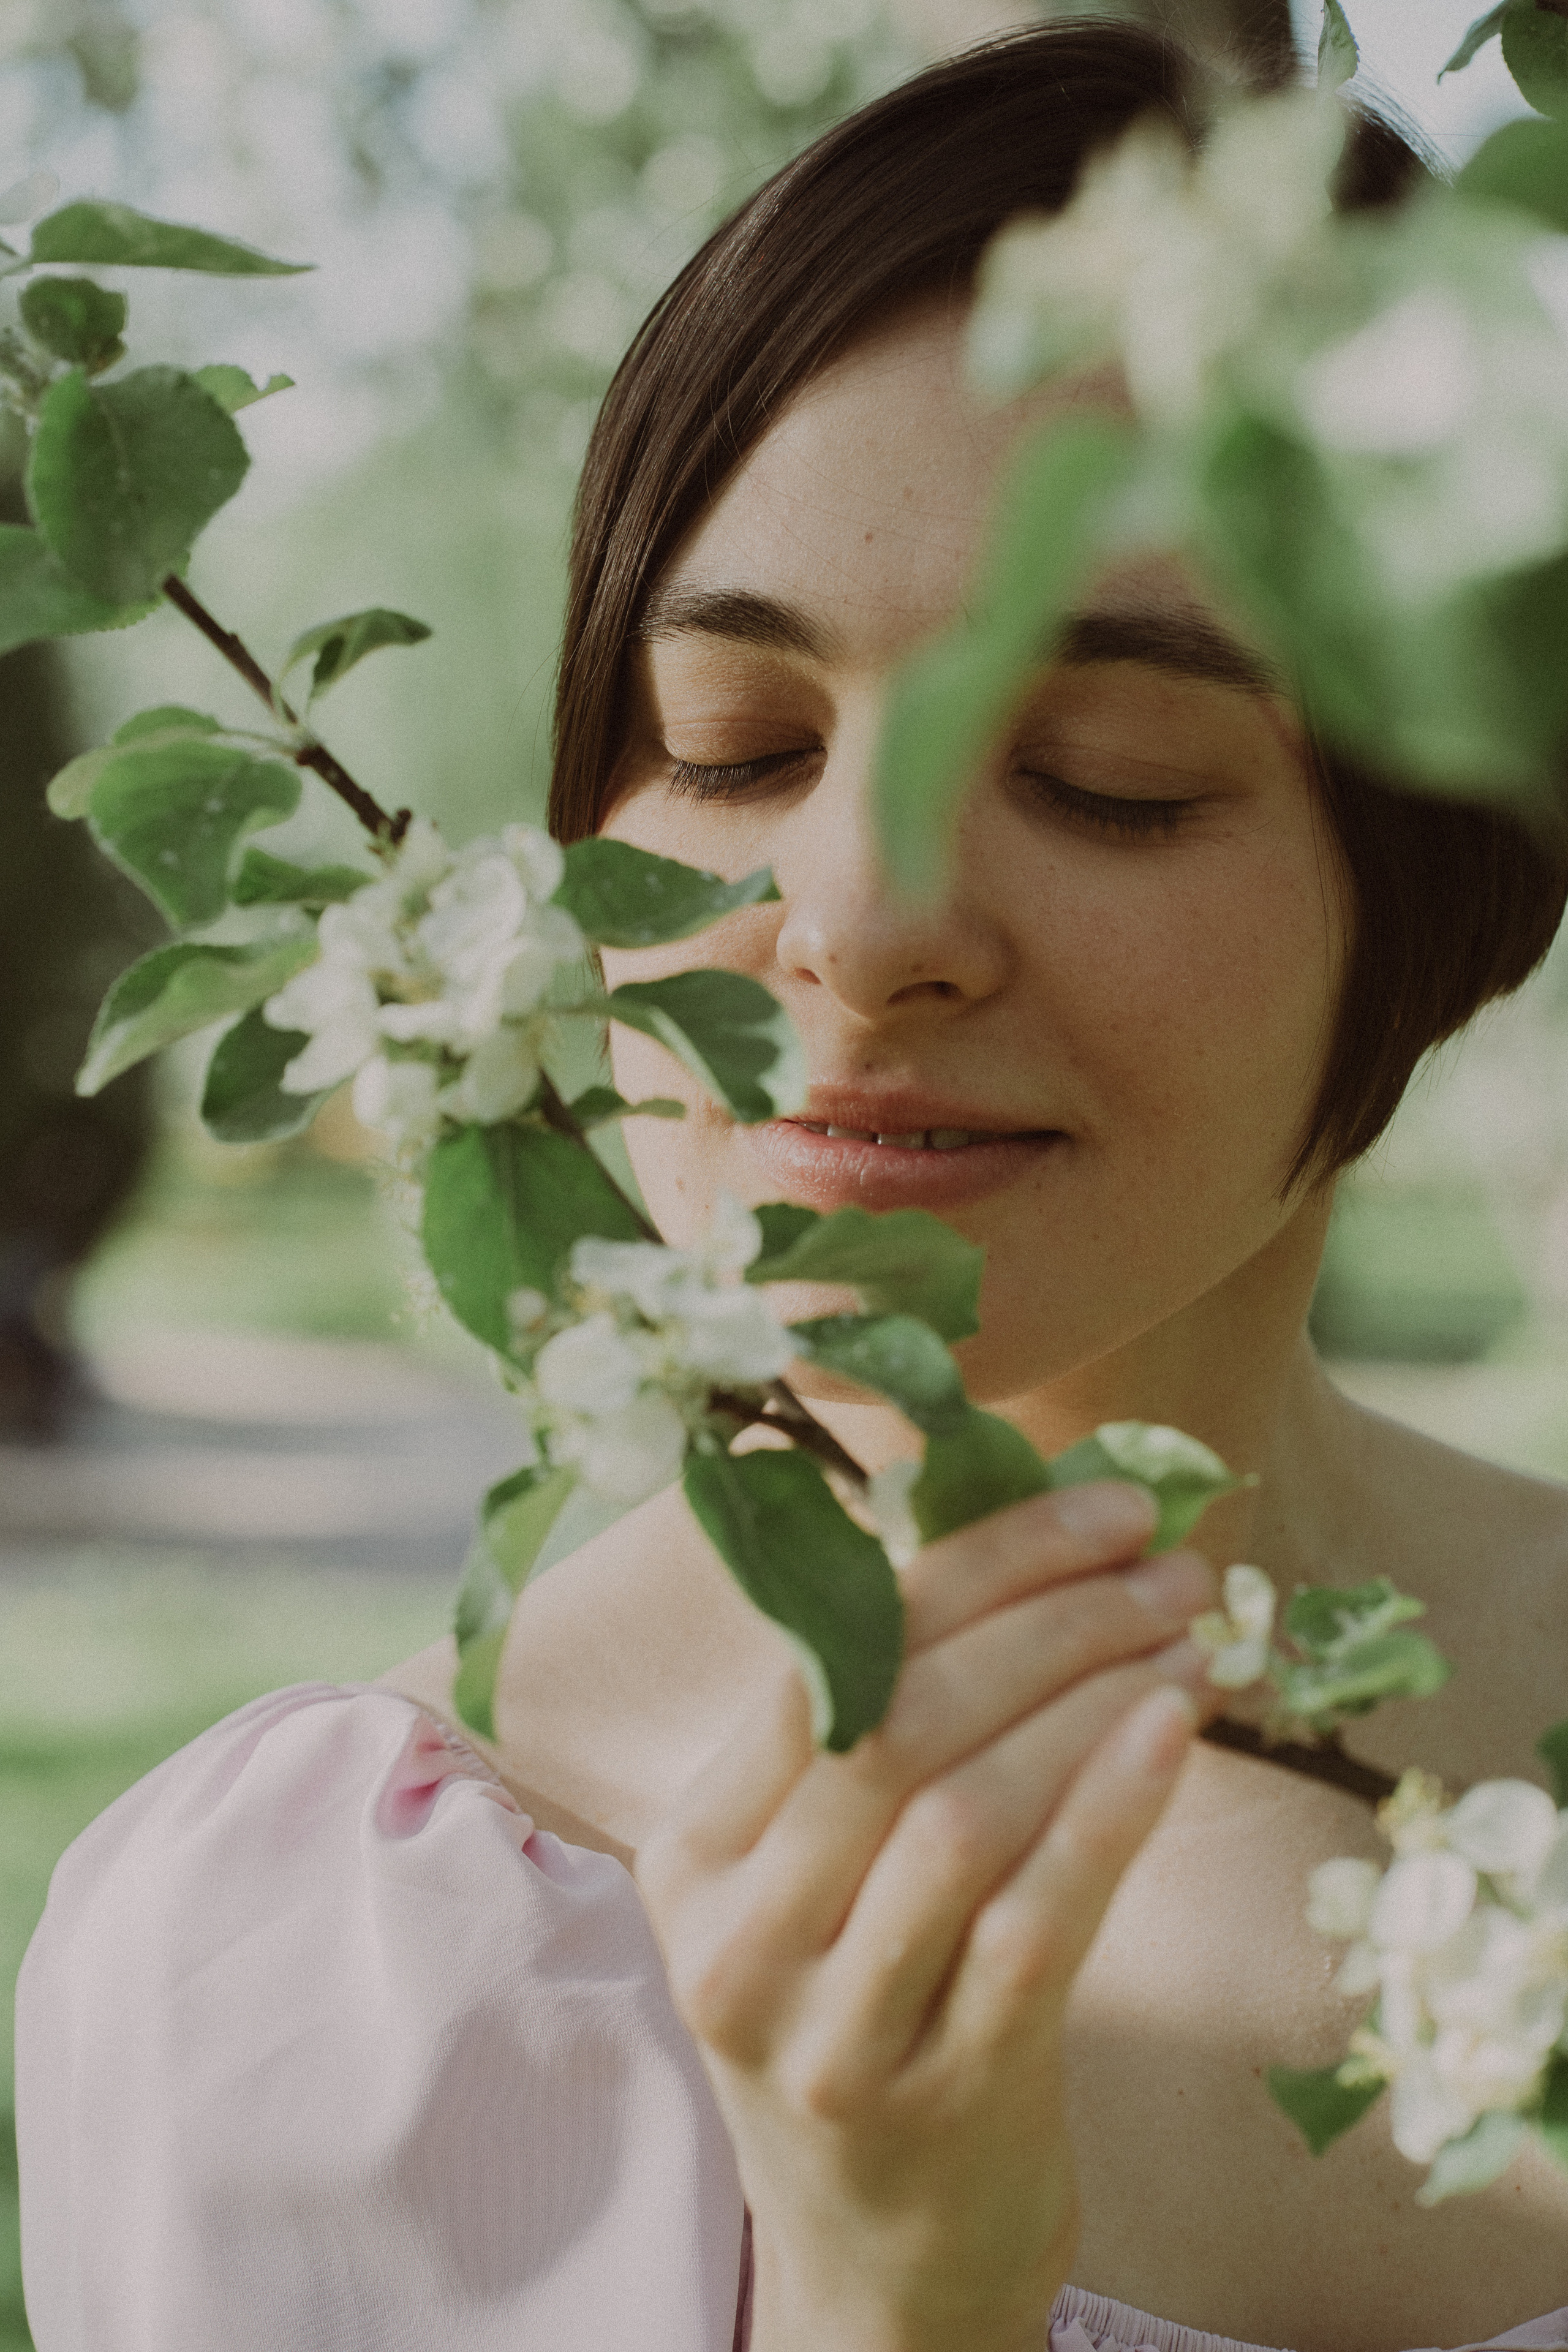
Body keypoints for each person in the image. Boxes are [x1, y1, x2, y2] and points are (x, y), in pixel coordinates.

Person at [16, 23, 1568, 2352]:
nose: (858, 917)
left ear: (1459, 877)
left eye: (1112, 774)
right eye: (738, 750)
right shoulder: (340, 1965)